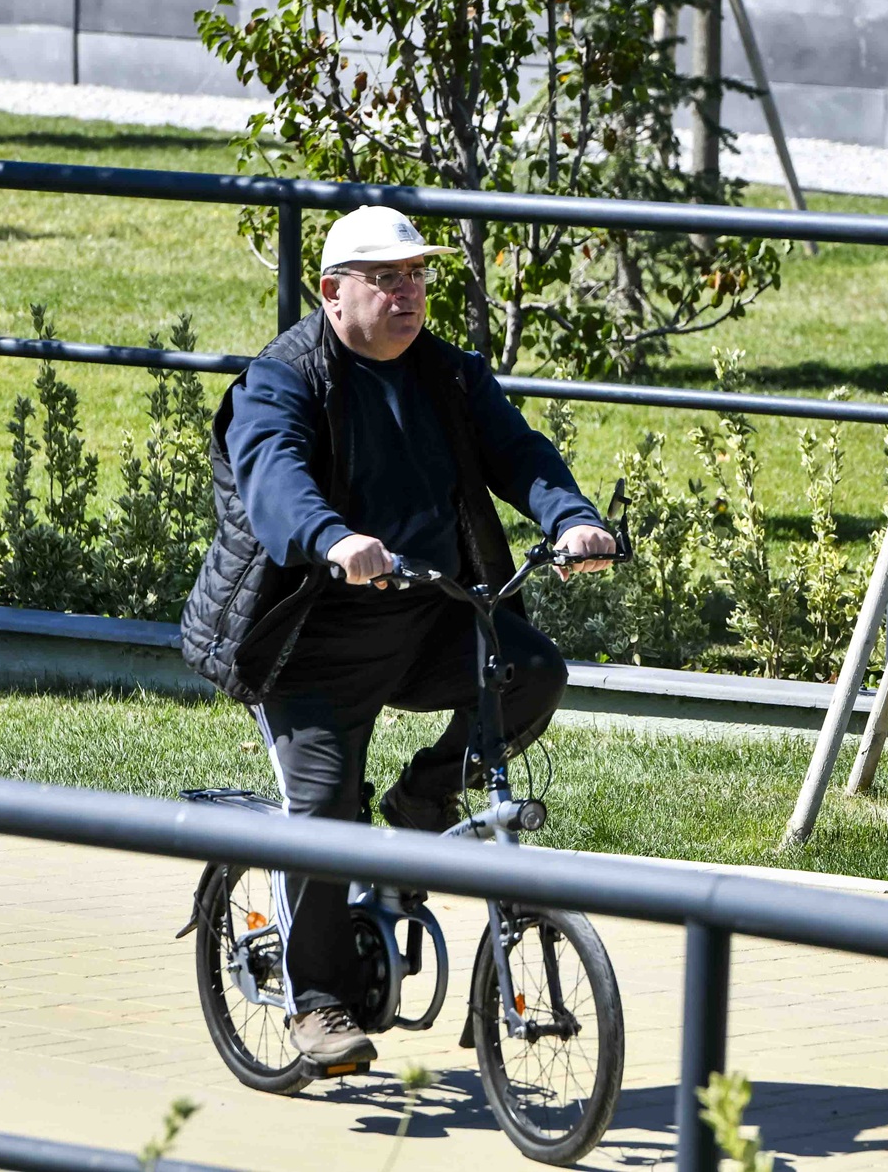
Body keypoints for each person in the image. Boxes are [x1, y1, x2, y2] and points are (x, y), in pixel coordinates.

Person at [180, 205, 615, 1068]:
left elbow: (518, 452)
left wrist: (572, 518)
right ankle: (320, 1002)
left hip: (430, 616)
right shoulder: (282, 380)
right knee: (324, 821)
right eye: (386, 279)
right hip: (310, 642)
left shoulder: (448, 376)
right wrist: (334, 539)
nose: (408, 293)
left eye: (417, 276)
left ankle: (422, 801)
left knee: (530, 671)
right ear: (332, 291)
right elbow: (275, 480)